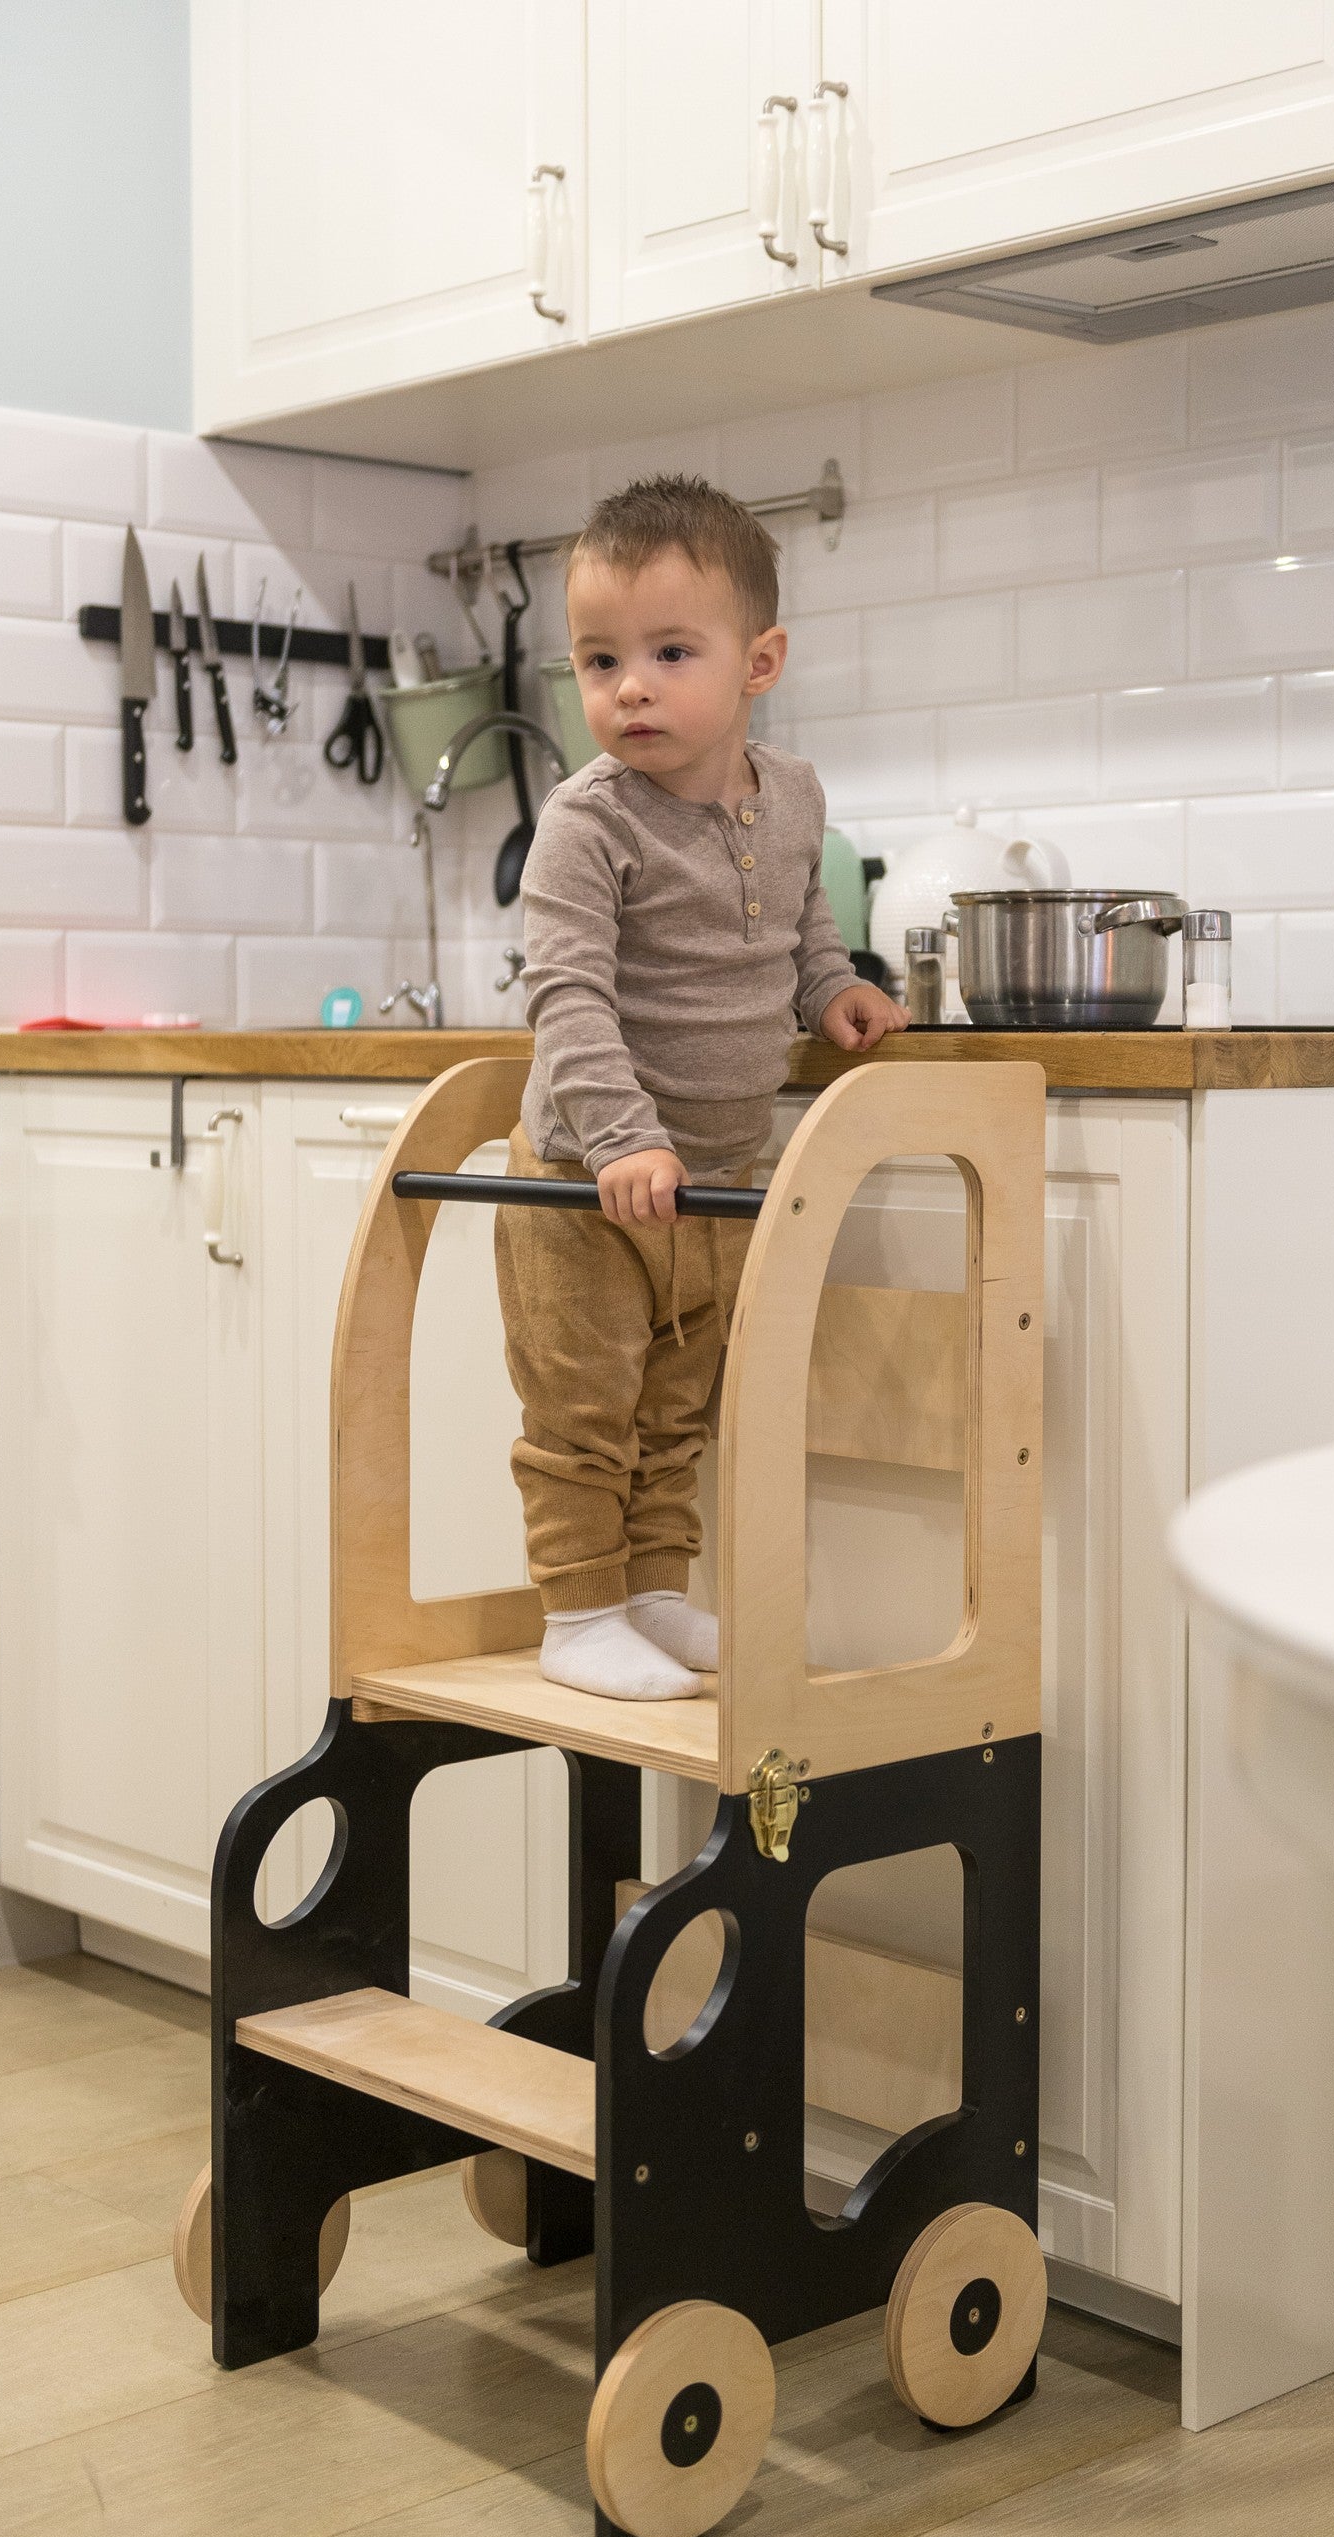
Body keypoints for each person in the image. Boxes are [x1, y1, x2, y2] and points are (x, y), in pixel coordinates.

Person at [496, 474, 907, 1702]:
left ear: (758, 660)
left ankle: (652, 1593)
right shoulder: (585, 824)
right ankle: (576, 1613)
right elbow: (563, 994)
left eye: (670, 651)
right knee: (582, 1410)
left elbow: (797, 921)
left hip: (714, 1176)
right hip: (586, 1180)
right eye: (599, 658)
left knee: (677, 1404)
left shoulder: (794, 798)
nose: (630, 686)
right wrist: (620, 1137)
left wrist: (829, 990)